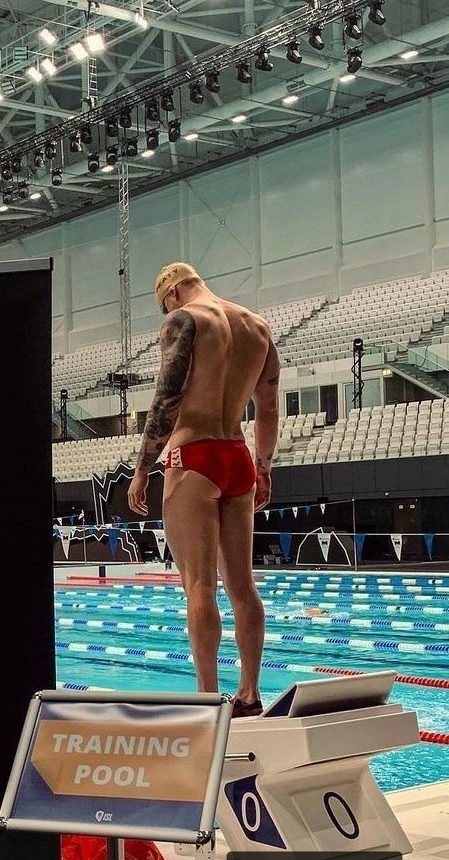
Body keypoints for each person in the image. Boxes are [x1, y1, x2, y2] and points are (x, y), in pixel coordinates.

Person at [127, 263, 279, 718]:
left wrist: (142, 469)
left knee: (199, 585)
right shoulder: (257, 326)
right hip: (238, 456)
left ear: (172, 292)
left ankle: (207, 698)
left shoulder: (185, 319)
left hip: (194, 457)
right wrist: (264, 467)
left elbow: (167, 399)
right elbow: (269, 406)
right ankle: (249, 694)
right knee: (243, 586)